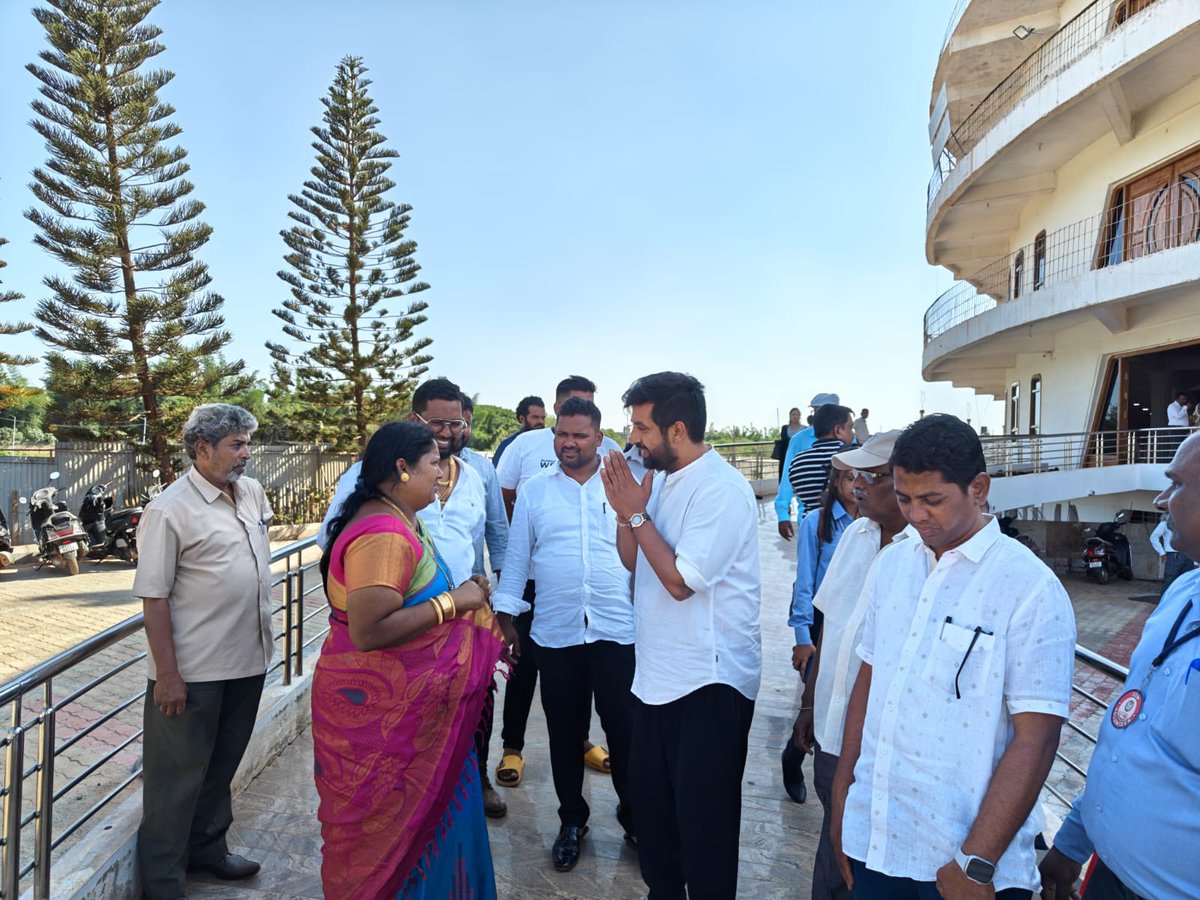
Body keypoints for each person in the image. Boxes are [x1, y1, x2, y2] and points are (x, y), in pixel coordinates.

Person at [830, 414, 1077, 899]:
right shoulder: (893, 565)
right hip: (877, 837)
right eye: (905, 499)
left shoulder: (1029, 589)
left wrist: (976, 862)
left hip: (965, 866)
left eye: (932, 500)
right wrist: (842, 800)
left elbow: (1038, 739)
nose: (917, 515)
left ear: (979, 489)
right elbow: (871, 681)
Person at [311, 421, 504, 898]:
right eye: (433, 463)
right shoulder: (383, 533)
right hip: (382, 725)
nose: (442, 474)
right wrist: (453, 604)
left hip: (419, 721)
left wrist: (464, 594)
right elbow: (370, 629)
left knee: (431, 828)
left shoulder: (400, 518)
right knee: (392, 841)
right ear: (402, 468)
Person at [602, 372, 761, 900]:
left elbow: (679, 581)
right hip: (655, 681)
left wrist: (635, 512)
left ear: (676, 429)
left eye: (642, 428)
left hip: (709, 686)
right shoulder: (662, 480)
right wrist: (630, 515)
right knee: (656, 824)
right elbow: (632, 560)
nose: (633, 439)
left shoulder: (722, 489)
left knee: (706, 835)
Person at [1039, 432, 1200, 900]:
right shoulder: (1182, 595)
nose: (1161, 500)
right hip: (1110, 875)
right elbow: (1132, 734)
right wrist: (1072, 843)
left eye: (1176, 485)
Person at [134, 404, 274, 898]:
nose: (246, 454)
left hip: (248, 659)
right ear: (202, 449)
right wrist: (168, 675)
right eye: (236, 444)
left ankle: (208, 851)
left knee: (221, 768)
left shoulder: (252, 493)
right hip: (193, 671)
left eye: (247, 443)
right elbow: (154, 596)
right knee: (174, 782)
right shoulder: (168, 509)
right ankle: (163, 881)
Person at [493, 397, 637, 872]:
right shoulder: (536, 490)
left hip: (618, 629)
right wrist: (507, 615)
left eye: (579, 434)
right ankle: (572, 820)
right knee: (564, 732)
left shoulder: (623, 484)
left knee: (625, 730)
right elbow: (517, 557)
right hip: (556, 634)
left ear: (600, 437)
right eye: (562, 434)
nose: (568, 443)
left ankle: (635, 816)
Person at [794, 431, 911, 900]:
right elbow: (831, 628)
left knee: (857, 864)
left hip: (880, 745)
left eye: (871, 476)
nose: (857, 485)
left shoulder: (923, 553)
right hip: (829, 731)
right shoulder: (853, 536)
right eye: (853, 475)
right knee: (833, 843)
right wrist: (807, 707)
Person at [782, 464, 858, 805]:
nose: (857, 486)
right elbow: (805, 583)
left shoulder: (875, 524)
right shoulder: (817, 522)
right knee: (816, 699)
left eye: (863, 477)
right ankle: (793, 757)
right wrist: (802, 636)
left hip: (857, 627)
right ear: (836, 481)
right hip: (820, 624)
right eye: (849, 477)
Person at [775, 392, 840, 540]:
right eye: (818, 411)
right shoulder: (800, 439)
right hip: (809, 517)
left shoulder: (847, 437)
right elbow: (787, 478)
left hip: (844, 518)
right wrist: (783, 514)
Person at [459, 394, 509, 579]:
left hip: (473, 584)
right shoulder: (409, 469)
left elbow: (497, 528)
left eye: (467, 424)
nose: (461, 431)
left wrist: (504, 584)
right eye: (457, 423)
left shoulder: (482, 468)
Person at [788, 404, 855, 519]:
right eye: (850, 428)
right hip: (849, 528)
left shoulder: (797, 462)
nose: (852, 433)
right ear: (838, 430)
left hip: (810, 526)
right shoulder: (852, 458)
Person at [1149, 511, 1196, 597]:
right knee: (1169, 584)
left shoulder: (1190, 523)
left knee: (1186, 585)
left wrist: (1196, 561)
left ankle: (1180, 608)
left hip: (1188, 557)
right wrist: (1162, 553)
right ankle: (1164, 607)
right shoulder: (1166, 522)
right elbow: (1154, 537)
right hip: (1174, 557)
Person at [492, 394, 547, 467]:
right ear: (522, 419)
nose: (541, 422)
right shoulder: (508, 445)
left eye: (543, 418)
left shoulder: (551, 443)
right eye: (535, 417)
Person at [775, 407, 804, 481]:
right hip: (786, 456)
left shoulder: (804, 429)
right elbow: (784, 440)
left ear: (800, 416)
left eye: (797, 414)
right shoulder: (785, 428)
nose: (795, 416)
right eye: (793, 414)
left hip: (799, 456)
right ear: (790, 416)